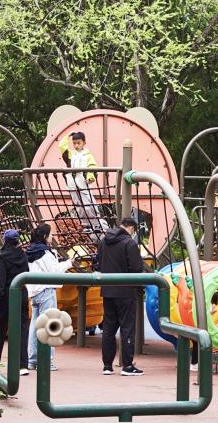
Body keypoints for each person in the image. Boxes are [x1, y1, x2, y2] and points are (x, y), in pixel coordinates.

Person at [95, 218, 144, 376]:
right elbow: (136, 268)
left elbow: (98, 264)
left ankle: (107, 365)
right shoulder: (129, 243)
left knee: (109, 328)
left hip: (107, 290)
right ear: (131, 228)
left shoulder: (103, 241)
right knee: (127, 327)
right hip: (125, 291)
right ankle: (127, 365)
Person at [26, 223, 73, 372]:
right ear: (45, 236)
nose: (52, 236)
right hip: (46, 290)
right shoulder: (45, 252)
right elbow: (54, 272)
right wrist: (68, 263)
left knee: (35, 325)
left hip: (34, 291)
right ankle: (47, 360)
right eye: (51, 234)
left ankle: (32, 359)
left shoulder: (31, 250)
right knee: (50, 325)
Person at [0, 229, 30, 375]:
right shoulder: (23, 255)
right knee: (21, 329)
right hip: (21, 292)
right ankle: (22, 365)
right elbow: (26, 271)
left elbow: (0, 280)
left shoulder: (3, 256)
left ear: (5, 241)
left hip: (6, 295)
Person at [59, 131, 108, 234]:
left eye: (79, 143)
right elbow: (62, 146)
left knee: (88, 203)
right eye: (74, 143)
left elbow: (92, 166)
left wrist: (90, 177)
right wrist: (68, 135)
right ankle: (86, 225)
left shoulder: (87, 155)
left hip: (83, 181)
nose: (76, 145)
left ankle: (97, 224)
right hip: (72, 182)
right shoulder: (70, 154)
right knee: (78, 205)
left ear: (84, 143)